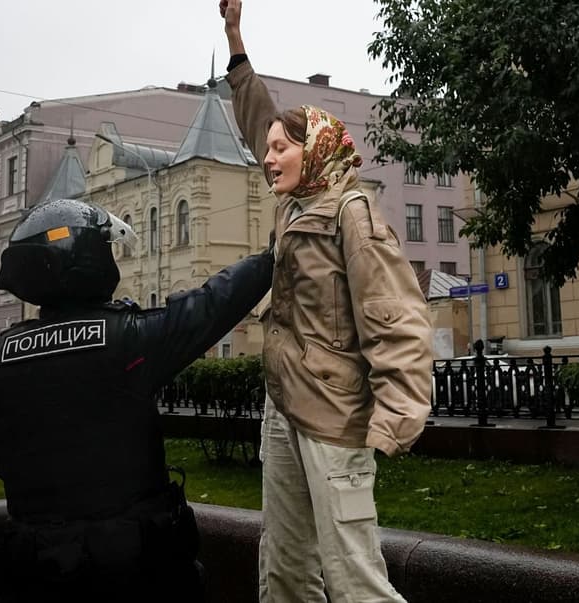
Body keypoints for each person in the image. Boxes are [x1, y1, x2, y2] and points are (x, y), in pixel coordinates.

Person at [221, 2, 433, 601]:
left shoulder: (351, 212)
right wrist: (236, 42)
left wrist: (394, 420)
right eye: (268, 150)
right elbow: (259, 116)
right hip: (283, 409)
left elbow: (399, 317)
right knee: (284, 571)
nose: (268, 157)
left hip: (336, 421)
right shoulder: (294, 201)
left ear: (313, 151)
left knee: (353, 578)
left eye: (281, 150)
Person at [0, 198, 273, 602]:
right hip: (133, 566)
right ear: (88, 258)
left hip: (37, 564)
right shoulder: (125, 339)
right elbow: (211, 306)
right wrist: (271, 259)